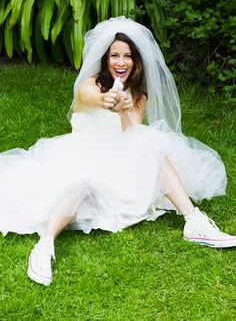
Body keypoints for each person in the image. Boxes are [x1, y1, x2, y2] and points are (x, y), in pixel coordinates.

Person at [0, 17, 235, 287]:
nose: (120, 62)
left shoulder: (139, 95)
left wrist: (124, 108)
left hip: (119, 161)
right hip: (81, 156)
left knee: (152, 145)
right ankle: (45, 245)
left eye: (127, 56)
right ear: (105, 59)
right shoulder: (90, 84)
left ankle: (193, 222)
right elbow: (88, 98)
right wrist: (107, 100)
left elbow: (133, 133)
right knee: (79, 185)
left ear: (136, 61)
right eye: (114, 56)